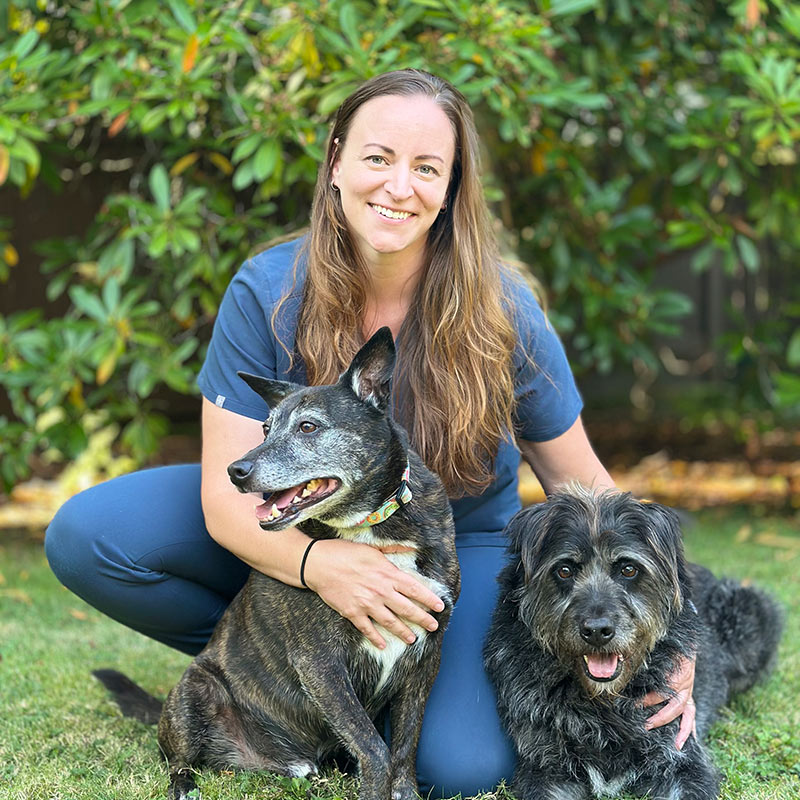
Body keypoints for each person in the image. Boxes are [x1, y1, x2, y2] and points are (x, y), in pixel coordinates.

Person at [45, 69, 695, 796]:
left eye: (427, 169)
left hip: (458, 543)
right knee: (89, 536)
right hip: (297, 523)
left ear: (450, 190)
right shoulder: (266, 291)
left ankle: (363, 684)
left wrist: (672, 641)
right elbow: (228, 499)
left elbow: (590, 489)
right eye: (378, 157)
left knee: (462, 767)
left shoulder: (504, 308)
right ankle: (274, 684)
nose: (398, 186)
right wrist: (320, 567)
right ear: (335, 164)